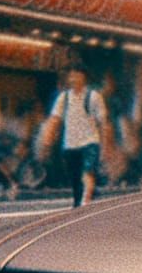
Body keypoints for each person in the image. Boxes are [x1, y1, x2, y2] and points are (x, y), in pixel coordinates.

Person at [40, 66, 110, 207]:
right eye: (71, 76)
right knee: (75, 178)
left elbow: (103, 122)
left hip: (90, 142)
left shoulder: (94, 96)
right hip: (70, 144)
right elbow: (55, 119)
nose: (73, 79)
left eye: (77, 76)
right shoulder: (63, 98)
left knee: (87, 171)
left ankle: (86, 200)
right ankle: (79, 203)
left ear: (84, 78)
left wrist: (106, 145)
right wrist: (47, 140)